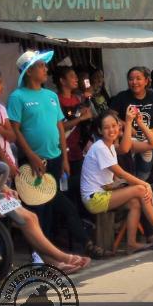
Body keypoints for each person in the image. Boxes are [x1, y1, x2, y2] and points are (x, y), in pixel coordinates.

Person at [0, 117, 90, 274]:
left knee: (31, 217)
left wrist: (5, 188)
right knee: (26, 219)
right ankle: (62, 257)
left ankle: (52, 261)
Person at [7, 50, 98, 258]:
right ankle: (40, 254)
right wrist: (30, 156)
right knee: (39, 207)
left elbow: (59, 127)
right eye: (41, 66)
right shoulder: (17, 97)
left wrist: (64, 158)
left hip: (55, 158)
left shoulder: (50, 96)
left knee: (49, 206)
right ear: (29, 71)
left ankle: (48, 253)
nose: (45, 69)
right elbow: (16, 130)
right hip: (33, 161)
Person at [81, 110, 153, 253]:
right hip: (95, 199)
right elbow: (120, 173)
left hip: (104, 193)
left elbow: (127, 149)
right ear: (99, 130)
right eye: (106, 127)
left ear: (119, 126)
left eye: (114, 126)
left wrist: (132, 122)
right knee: (141, 189)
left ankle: (131, 243)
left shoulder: (110, 146)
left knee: (135, 202)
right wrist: (144, 184)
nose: (111, 130)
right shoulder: (99, 147)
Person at [109, 67, 153, 180]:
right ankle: (130, 182)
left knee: (148, 150)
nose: (134, 82)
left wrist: (151, 132)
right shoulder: (122, 97)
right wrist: (126, 125)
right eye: (131, 79)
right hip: (129, 137)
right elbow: (111, 115)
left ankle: (141, 180)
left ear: (146, 81)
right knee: (126, 155)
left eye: (138, 78)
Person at [54, 66, 93, 204]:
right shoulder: (55, 100)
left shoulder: (77, 99)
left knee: (81, 183)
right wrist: (80, 118)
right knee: (65, 186)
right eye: (72, 76)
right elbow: (59, 126)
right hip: (63, 150)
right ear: (62, 81)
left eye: (76, 76)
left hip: (78, 149)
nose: (76, 79)